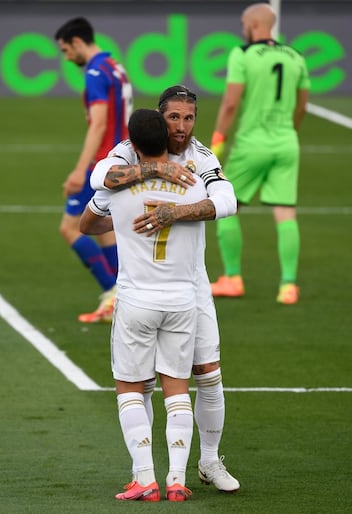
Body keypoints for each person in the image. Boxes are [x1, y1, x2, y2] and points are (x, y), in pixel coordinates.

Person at [90, 85, 241, 493]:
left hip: (191, 286)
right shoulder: (130, 150)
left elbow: (228, 201)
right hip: (166, 290)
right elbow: (99, 176)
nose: (182, 126)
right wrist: (154, 170)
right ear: (160, 117)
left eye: (189, 118)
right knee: (152, 384)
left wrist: (176, 212)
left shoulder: (201, 156)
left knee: (208, 374)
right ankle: (154, 472)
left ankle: (208, 463)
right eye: (174, 117)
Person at [210, 3, 310, 304]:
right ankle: (288, 286)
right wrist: (288, 132)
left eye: (243, 23)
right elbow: (301, 106)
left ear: (252, 24)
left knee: (226, 204)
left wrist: (217, 140)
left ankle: (232, 277)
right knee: (285, 213)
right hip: (287, 143)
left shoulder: (243, 54)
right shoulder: (296, 57)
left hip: (252, 143)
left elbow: (230, 103)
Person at [54, 17, 132, 323]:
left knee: (70, 228)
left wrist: (79, 171)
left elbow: (99, 123)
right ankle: (120, 297)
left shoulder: (96, 72)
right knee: (106, 229)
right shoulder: (116, 66)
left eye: (65, 50)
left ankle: (112, 292)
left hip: (101, 162)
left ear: (77, 42)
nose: (66, 57)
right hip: (121, 158)